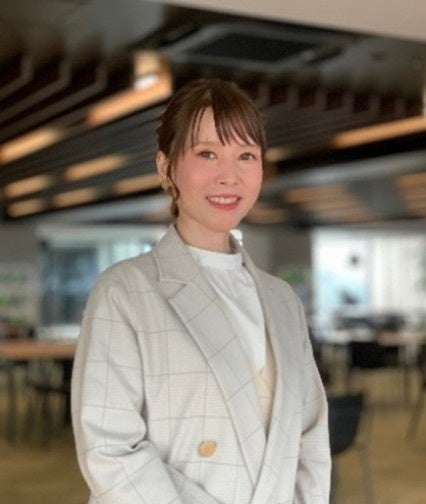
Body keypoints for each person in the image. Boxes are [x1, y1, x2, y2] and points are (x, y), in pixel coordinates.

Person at [71, 78, 331, 504]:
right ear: (166, 166)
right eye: (207, 153)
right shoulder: (124, 291)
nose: (229, 176)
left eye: (246, 155)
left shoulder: (282, 299)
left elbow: (309, 437)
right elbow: (110, 449)